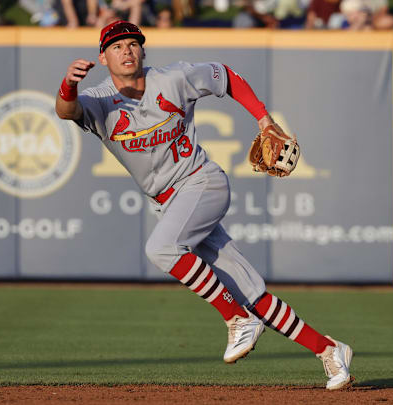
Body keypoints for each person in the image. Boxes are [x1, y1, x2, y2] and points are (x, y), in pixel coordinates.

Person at [54, 20, 353, 390]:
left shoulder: (173, 79)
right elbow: (66, 111)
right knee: (250, 293)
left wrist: (264, 119)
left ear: (143, 51)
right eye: (116, 46)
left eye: (133, 44)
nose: (126, 51)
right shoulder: (98, 100)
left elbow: (225, 76)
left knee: (162, 249)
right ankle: (329, 350)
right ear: (103, 57)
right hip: (168, 202)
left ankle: (236, 320)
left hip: (201, 182)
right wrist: (69, 83)